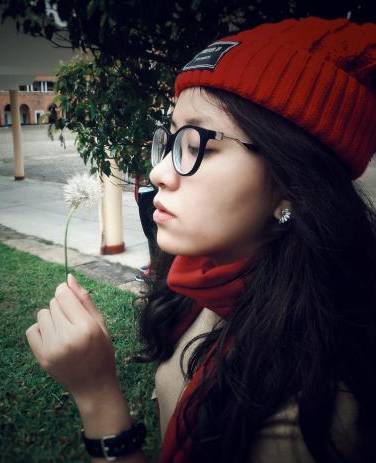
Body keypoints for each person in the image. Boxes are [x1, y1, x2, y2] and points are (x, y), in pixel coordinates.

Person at [25, 16, 376, 462]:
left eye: (199, 146)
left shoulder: (306, 418)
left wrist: (97, 395)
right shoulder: (203, 287)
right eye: (172, 141)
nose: (157, 173)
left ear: (291, 182)